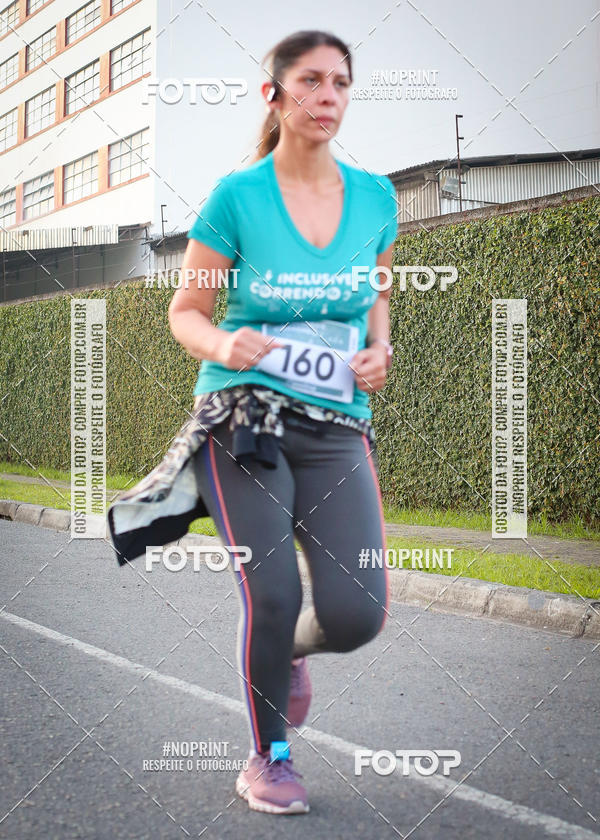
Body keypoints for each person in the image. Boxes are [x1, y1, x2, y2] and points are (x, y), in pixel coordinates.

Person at [168, 30, 398, 815]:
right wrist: (224, 340)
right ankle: (269, 757)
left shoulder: (378, 196)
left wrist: (380, 346)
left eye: (339, 83)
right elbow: (186, 309)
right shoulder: (237, 197)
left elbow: (377, 290)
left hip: (337, 423)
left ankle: (288, 654)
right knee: (267, 595)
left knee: (356, 613)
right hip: (245, 419)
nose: (327, 96)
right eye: (310, 81)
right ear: (276, 95)